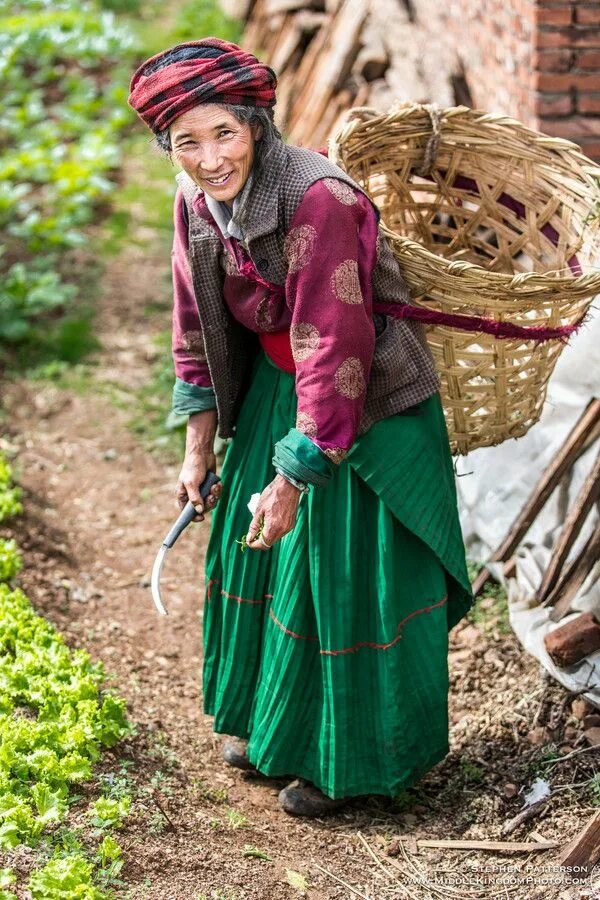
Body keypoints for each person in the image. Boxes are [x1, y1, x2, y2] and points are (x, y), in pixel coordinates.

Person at [128, 37, 473, 817]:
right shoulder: (196, 205)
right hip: (280, 392)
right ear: (168, 148)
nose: (210, 157)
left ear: (257, 125)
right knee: (258, 563)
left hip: (362, 402)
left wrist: (291, 476)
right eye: (187, 141)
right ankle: (272, 730)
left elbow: (337, 349)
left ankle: (352, 763)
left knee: (341, 575)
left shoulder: (320, 199)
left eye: (225, 133)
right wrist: (197, 447)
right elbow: (195, 330)